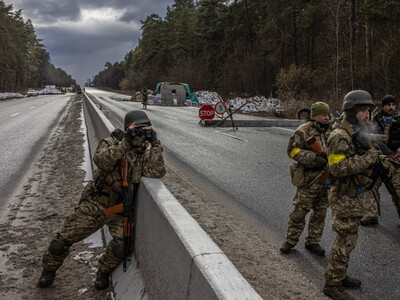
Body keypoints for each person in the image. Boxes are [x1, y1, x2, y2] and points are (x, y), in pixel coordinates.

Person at [38, 110, 166, 290]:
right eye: (138, 129)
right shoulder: (111, 143)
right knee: (62, 241)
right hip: (96, 204)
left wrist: (155, 145)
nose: (141, 133)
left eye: (146, 129)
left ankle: (103, 271)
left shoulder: (143, 153)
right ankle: (48, 270)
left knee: (122, 246)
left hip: (120, 209)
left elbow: (156, 171)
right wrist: (125, 144)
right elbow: (101, 161)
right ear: (128, 128)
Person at [323, 90, 381, 300]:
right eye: (364, 111)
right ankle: (331, 284)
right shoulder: (340, 135)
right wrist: (369, 159)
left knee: (350, 239)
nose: (367, 115)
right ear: (352, 111)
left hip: (351, 196)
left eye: (368, 111)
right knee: (345, 239)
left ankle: (340, 275)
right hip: (344, 197)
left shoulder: (353, 130)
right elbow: (337, 168)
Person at [280, 102, 331, 256]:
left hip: (326, 179)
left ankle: (313, 241)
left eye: (328, 115)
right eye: (324, 115)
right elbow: (292, 150)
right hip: (309, 180)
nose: (327, 117)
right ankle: (290, 240)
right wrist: (313, 158)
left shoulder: (333, 131)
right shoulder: (304, 131)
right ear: (314, 116)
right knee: (299, 212)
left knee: (320, 213)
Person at [361, 94, 400, 225]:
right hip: (378, 158)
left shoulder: (399, 119)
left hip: (395, 159)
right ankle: (371, 215)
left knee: (397, 189)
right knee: (370, 185)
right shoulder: (374, 120)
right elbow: (368, 139)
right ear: (383, 106)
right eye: (388, 105)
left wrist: (396, 156)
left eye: (393, 104)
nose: (391, 107)